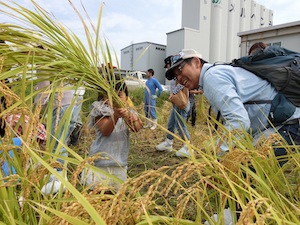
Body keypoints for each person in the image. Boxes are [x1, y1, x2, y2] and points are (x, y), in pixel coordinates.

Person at [165, 48, 300, 165]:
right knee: (243, 174)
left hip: (285, 126)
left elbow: (238, 121)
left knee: (248, 179)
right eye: (175, 75)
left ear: (196, 62)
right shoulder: (216, 73)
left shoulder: (212, 77)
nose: (179, 77)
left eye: (180, 69)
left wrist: (219, 160)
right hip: (275, 126)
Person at [81, 75, 142, 192]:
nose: (115, 100)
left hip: (119, 162)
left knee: (116, 194)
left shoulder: (129, 111)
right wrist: (116, 116)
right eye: (110, 96)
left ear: (126, 97)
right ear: (102, 98)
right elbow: (105, 131)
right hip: (100, 162)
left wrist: (131, 118)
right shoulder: (100, 110)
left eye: (119, 95)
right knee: (98, 193)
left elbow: (136, 128)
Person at [34, 78, 84, 195]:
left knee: (56, 142)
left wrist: (36, 109)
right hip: (74, 99)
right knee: (61, 141)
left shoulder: (43, 59)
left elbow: (44, 86)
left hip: (62, 103)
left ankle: (59, 178)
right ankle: (57, 176)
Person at [156, 55, 193, 157]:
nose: (168, 67)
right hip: (176, 103)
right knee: (171, 123)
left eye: (168, 65)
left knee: (180, 126)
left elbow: (183, 84)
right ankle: (168, 143)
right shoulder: (176, 74)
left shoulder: (182, 74)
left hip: (181, 104)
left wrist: (173, 93)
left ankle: (188, 148)